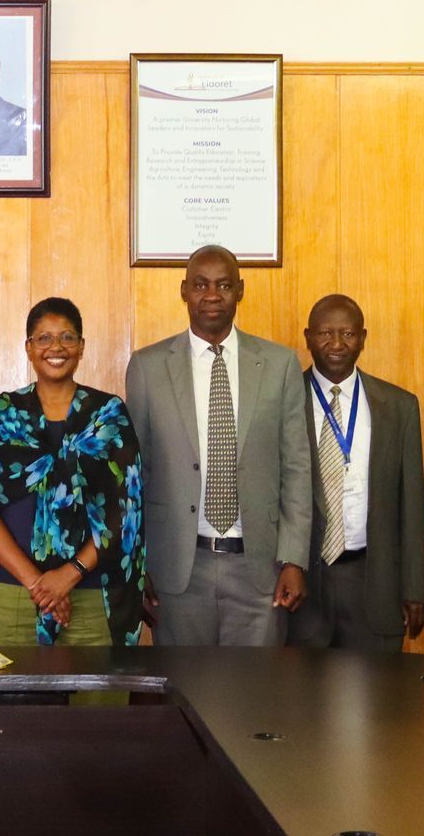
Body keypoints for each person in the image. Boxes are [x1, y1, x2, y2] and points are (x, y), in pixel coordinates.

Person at [124, 245, 311, 646]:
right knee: (183, 697)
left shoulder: (279, 365)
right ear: (184, 291)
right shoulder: (147, 367)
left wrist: (294, 559)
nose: (212, 295)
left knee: (255, 700)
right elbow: (135, 476)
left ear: (240, 291)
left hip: (260, 569)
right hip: (178, 570)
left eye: (224, 285)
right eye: (201, 285)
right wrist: (138, 565)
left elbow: (296, 467)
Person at [0, 297, 144, 648]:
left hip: (93, 594)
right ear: (28, 348)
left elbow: (126, 509)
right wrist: (39, 584)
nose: (56, 347)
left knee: (96, 702)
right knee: (9, 701)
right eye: (43, 338)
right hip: (11, 592)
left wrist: (69, 574)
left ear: (81, 347)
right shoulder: (4, 413)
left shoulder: (108, 415)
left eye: (67, 337)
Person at [289, 295, 424, 651]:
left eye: (348, 333)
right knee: (300, 701)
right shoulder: (284, 400)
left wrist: (414, 587)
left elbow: (411, 503)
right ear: (307, 337)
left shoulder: (398, 407)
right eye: (325, 333)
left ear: (363, 337)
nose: (336, 344)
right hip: (303, 584)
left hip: (373, 579)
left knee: (376, 700)